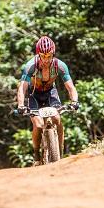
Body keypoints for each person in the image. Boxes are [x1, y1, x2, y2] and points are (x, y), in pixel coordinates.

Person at [16, 35, 79, 165]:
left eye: (49, 55)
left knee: (57, 118)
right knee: (38, 125)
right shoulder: (30, 66)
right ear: (38, 54)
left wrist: (74, 102)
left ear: (53, 54)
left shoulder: (60, 66)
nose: (46, 59)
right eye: (42, 56)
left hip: (51, 93)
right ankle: (36, 154)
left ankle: (59, 151)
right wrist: (21, 105)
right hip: (34, 95)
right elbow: (23, 87)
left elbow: (70, 87)